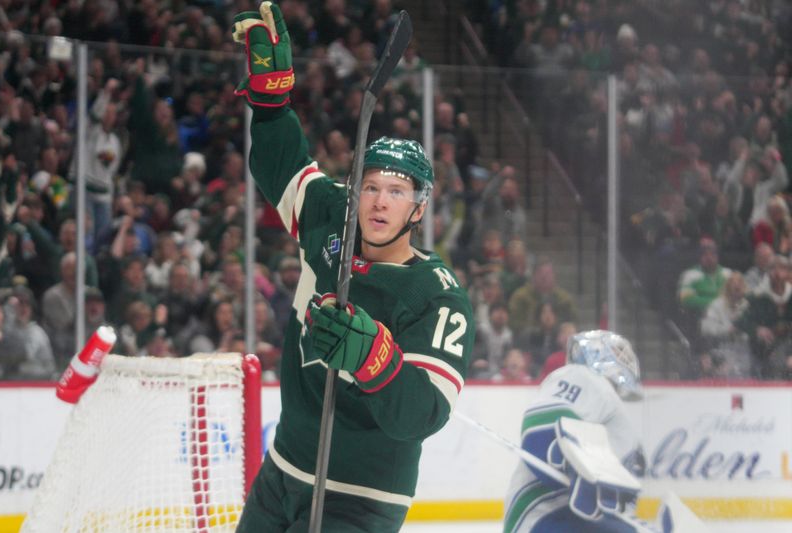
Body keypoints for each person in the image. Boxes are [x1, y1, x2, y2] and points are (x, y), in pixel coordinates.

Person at [232, 5, 474, 531]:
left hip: (362, 499)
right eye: (369, 186)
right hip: (280, 476)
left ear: (419, 208)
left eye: (396, 191)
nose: (379, 201)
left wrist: (375, 360)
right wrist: (272, 105)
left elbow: (424, 414)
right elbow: (284, 166)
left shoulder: (439, 298)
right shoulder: (328, 218)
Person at [504, 330, 645, 532]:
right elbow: (539, 433)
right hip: (544, 513)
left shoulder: (616, 414)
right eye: (617, 352)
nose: (624, 359)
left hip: (579, 519)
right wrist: (573, 464)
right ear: (598, 354)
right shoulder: (583, 376)